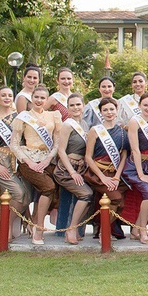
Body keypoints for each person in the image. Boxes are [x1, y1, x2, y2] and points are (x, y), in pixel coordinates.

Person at [10, 86, 61, 245]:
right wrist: (29, 162)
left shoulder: (53, 116)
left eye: (42, 98)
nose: (39, 100)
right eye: (36, 97)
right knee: (48, 187)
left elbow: (57, 144)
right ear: (32, 98)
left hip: (47, 159)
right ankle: (38, 228)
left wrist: (47, 161)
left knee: (54, 188)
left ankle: (35, 222)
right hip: (28, 159)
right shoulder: (23, 117)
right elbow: (14, 144)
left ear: (47, 100)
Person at [0, 86, 32, 242]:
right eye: (3, 95)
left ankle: (3, 225)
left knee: (19, 195)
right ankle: (5, 227)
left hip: (18, 159)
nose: (7, 97)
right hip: (0, 159)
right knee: (19, 193)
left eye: (10, 95)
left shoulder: (20, 117)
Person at [83, 97, 129, 239]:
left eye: (111, 109)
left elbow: (123, 156)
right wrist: (102, 177)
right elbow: (88, 157)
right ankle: (104, 231)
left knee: (119, 202)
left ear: (116, 111)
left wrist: (116, 176)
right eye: (105, 110)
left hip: (115, 175)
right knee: (115, 198)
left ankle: (103, 229)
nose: (109, 112)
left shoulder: (122, 132)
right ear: (101, 112)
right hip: (97, 174)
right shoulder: (95, 131)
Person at [52, 93, 94, 245]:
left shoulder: (84, 124)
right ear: (68, 108)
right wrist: (72, 172)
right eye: (72, 105)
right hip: (66, 170)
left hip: (80, 168)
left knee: (88, 195)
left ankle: (75, 228)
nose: (76, 108)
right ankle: (71, 228)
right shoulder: (67, 125)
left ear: (83, 106)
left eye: (78, 104)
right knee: (86, 194)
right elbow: (61, 151)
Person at [124, 93, 148, 245]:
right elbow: (135, 149)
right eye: (145, 105)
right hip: (136, 165)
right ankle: (143, 230)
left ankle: (135, 230)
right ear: (139, 106)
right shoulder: (135, 121)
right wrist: (140, 173)